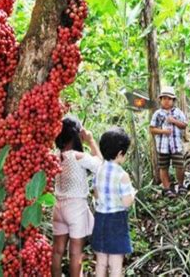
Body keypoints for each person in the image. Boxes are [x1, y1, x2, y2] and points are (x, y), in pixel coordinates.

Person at [52, 116, 103, 277]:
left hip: (58, 207)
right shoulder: (77, 156)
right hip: (76, 209)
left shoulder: (56, 156)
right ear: (76, 135)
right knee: (75, 254)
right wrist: (91, 140)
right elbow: (101, 166)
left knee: (57, 252)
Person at [91, 127, 135, 277]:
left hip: (100, 218)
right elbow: (127, 202)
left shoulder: (98, 170)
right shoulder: (122, 175)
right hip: (116, 221)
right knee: (116, 264)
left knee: (101, 261)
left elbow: (96, 194)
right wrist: (133, 195)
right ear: (120, 154)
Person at [150, 86, 188, 197]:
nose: (167, 101)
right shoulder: (157, 114)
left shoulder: (178, 112)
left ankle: (181, 186)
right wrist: (163, 131)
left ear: (173, 100)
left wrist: (174, 121)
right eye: (164, 98)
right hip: (163, 146)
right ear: (160, 100)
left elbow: (184, 125)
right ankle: (167, 188)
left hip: (176, 146)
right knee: (163, 167)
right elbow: (152, 129)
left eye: (169, 99)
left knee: (179, 165)